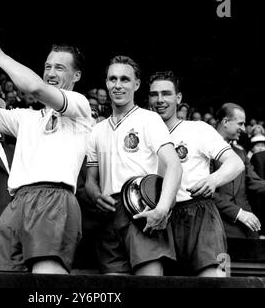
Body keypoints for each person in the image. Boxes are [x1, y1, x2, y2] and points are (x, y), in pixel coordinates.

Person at [0, 29, 92, 274]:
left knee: (47, 284)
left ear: (77, 75)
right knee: (1, 280)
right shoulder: (25, 118)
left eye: (60, 68)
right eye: (48, 66)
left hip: (54, 198)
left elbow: (35, 87)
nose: (51, 73)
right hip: (17, 202)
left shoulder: (80, 105)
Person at [85, 56, 182, 276]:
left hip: (143, 209)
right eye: (112, 79)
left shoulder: (149, 119)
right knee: (115, 289)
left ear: (136, 84)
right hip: (109, 214)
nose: (118, 85)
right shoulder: (97, 130)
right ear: (106, 83)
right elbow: (90, 180)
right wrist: (95, 194)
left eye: (125, 79)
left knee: (149, 284)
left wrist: (162, 209)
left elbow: (175, 166)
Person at [148, 71, 244, 277]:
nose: (160, 100)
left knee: (215, 278)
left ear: (178, 98)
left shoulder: (198, 129)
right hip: (160, 218)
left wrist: (213, 179)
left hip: (200, 213)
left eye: (166, 93)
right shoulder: (142, 133)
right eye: (154, 94)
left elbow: (235, 163)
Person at [213, 103, 264, 238]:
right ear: (225, 122)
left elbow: (254, 182)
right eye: (240, 124)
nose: (243, 129)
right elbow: (205, 192)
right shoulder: (205, 151)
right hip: (217, 221)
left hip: (248, 225)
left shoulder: (240, 152)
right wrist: (239, 213)